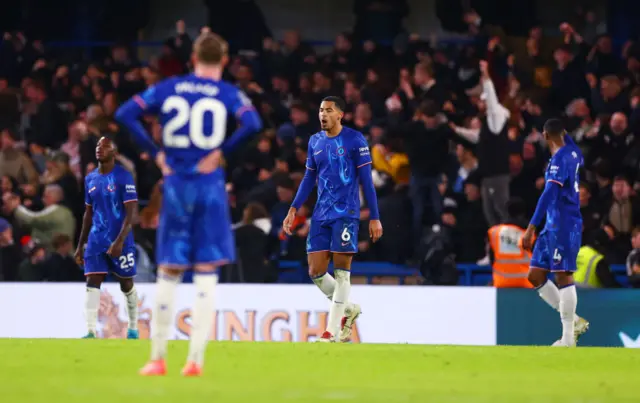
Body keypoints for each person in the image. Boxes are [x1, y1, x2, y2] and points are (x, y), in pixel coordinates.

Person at [115, 32, 262, 376]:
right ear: (224, 61)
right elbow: (252, 122)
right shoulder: (227, 92)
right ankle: (195, 360)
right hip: (209, 185)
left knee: (169, 269)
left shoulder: (170, 87)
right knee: (207, 270)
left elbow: (125, 114)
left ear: (193, 57)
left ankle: (158, 358)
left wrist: (157, 155)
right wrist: (221, 153)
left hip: (177, 184)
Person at [283, 96, 382, 342]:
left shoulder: (355, 140)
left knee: (341, 273)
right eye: (320, 110)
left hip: (346, 214)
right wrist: (293, 208)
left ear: (340, 115)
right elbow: (308, 179)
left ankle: (332, 331)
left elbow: (367, 181)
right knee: (315, 271)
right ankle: (348, 310)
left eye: (328, 110)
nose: (323, 115)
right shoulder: (314, 141)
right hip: (321, 214)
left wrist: (375, 217)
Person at [522, 119, 589, 347]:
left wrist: (531, 226)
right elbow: (564, 138)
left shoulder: (559, 160)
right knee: (535, 275)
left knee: (563, 276)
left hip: (563, 224)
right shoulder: (574, 152)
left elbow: (549, 194)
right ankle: (576, 322)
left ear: (545, 136)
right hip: (552, 225)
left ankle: (568, 338)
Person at [74, 136, 139, 340]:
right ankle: (91, 330)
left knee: (126, 284)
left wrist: (119, 241)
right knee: (93, 281)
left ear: (114, 153)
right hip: (96, 239)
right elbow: (88, 213)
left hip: (120, 238)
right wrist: (80, 244)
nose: (99, 149)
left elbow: (131, 214)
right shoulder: (90, 179)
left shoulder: (123, 176)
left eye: (105, 146)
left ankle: (133, 328)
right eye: (98, 146)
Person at [487, 198, 533, 288]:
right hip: (526, 284)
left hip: (501, 282)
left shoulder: (494, 232)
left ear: (507, 212)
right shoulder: (530, 234)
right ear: (523, 213)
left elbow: (491, 258)